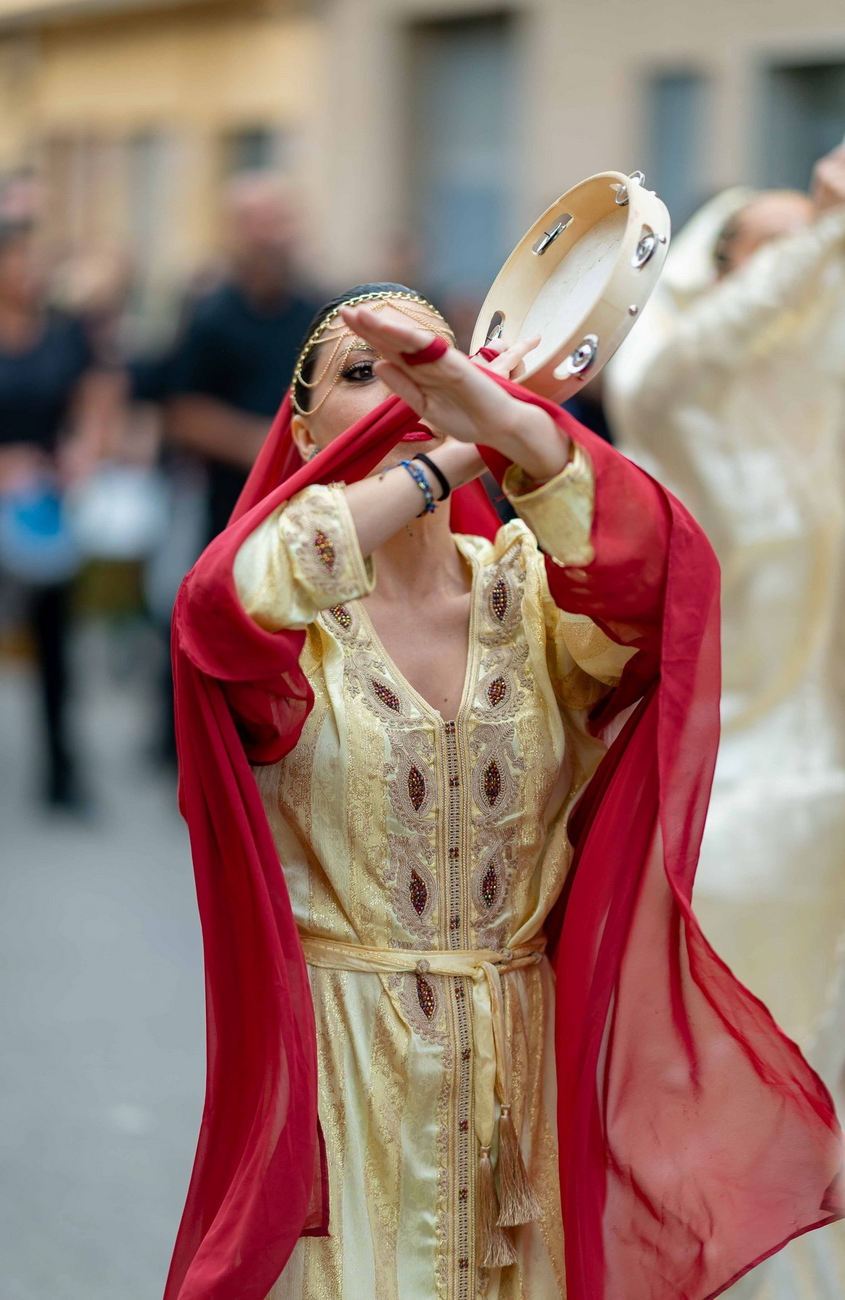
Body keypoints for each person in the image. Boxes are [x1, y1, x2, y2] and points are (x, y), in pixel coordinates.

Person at [165, 284, 843, 1300]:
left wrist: (515, 428)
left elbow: (660, 580)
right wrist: (448, 455)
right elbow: (225, 606)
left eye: (429, 367)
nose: (404, 391)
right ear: (302, 436)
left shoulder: (527, 592)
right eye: (365, 373)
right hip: (345, 1073)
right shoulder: (293, 629)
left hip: (522, 1078)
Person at [605, 147, 845, 1298]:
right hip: (719, 791)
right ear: (722, 269)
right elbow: (683, 364)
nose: (811, 275)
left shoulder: (820, 419)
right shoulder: (673, 397)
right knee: (721, 1056)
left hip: (824, 789)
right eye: (779, 249)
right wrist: (829, 230)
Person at [0, 221, 117, 808]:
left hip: (45, 512)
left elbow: (98, 399)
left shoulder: (64, 337)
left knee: (56, 644)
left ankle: (62, 774)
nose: (28, 272)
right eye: (17, 260)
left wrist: (84, 449)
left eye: (35, 260)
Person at [166, 172, 318, 543]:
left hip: (310, 512)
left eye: (277, 220)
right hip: (234, 514)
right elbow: (182, 413)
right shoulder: (208, 316)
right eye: (254, 222)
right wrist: (271, 446)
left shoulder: (320, 310)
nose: (268, 236)